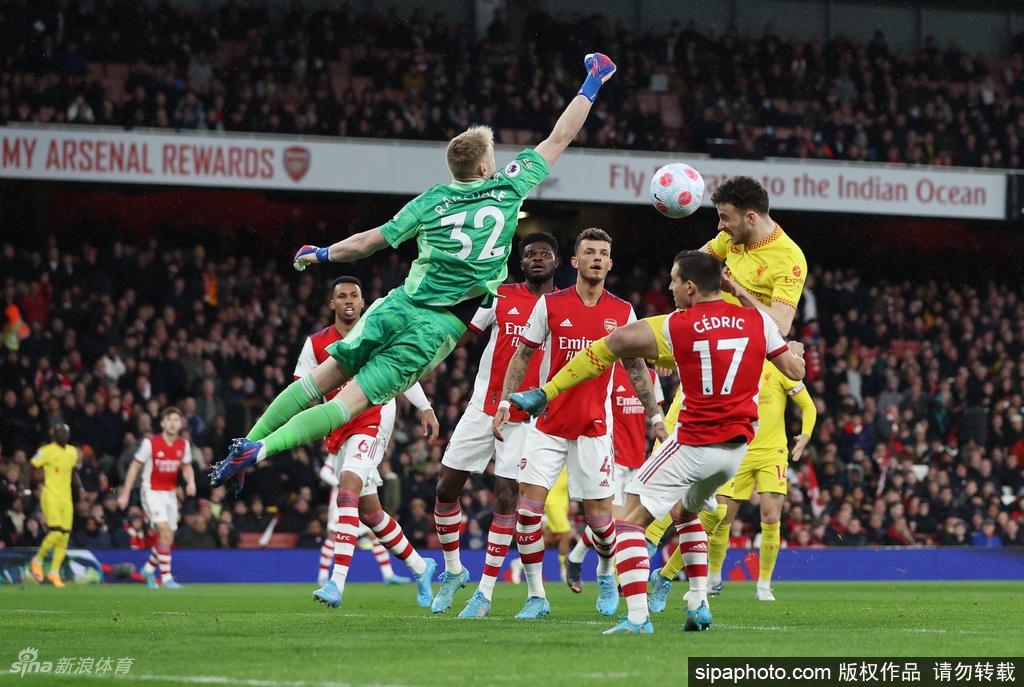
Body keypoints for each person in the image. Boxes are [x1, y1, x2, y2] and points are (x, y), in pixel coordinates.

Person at [209, 52, 618, 492]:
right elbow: (560, 137)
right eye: (493, 156)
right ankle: (261, 452)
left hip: (395, 304)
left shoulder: (429, 200)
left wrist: (322, 253)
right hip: (433, 328)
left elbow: (365, 242)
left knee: (320, 379)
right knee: (349, 404)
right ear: (484, 168)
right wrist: (593, 81)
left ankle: (248, 441)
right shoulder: (508, 186)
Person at [511, 250, 805, 634]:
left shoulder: (678, 324)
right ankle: (699, 603)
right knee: (685, 514)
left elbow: (613, 342)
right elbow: (795, 369)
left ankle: (636, 617)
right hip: (734, 451)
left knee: (629, 522)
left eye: (672, 280)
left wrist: (548, 391)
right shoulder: (757, 322)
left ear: (690, 287)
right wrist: (744, 297)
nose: (668, 287)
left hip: (694, 442)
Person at [492, 228, 667, 619]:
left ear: (610, 262)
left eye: (603, 253)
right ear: (575, 261)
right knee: (527, 513)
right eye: (589, 252)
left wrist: (655, 416)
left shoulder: (622, 312)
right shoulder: (551, 305)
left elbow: (636, 366)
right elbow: (523, 354)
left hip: (593, 428)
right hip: (548, 425)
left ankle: (605, 572)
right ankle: (536, 596)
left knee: (603, 526)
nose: (597, 259)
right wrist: (506, 400)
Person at [643, 175, 809, 560]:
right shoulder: (727, 242)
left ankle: (649, 559)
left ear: (750, 217)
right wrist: (672, 341)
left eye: (724, 218)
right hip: (702, 360)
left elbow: (780, 326)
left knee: (686, 472)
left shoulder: (788, 258)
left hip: (738, 377)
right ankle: (646, 554)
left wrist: (740, 292)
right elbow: (691, 276)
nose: (719, 227)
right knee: (664, 453)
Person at [429, 232, 559, 617]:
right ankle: (453, 571)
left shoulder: (562, 306)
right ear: (521, 264)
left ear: (556, 262)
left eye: (545, 254)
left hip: (526, 417)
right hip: (483, 407)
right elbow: (464, 335)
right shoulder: (501, 295)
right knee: (445, 488)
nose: (538, 258)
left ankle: (485, 593)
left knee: (507, 498)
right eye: (530, 254)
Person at [299, 277, 440, 609]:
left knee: (346, 490)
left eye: (354, 295)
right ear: (332, 304)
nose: (348, 300)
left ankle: (336, 583)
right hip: (339, 427)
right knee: (370, 511)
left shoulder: (377, 332)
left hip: (374, 417)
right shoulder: (316, 344)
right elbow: (302, 390)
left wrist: (425, 407)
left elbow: (402, 371)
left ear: (363, 303)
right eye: (341, 296)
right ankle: (422, 567)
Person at [648, 359, 816, 610]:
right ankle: (627, 578)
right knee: (673, 508)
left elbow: (806, 400)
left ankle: (669, 576)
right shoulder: (719, 358)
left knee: (719, 514)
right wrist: (662, 358)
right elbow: (672, 342)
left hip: (748, 448)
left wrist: (806, 432)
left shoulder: (774, 362)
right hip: (702, 438)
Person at [563, 361, 664, 593]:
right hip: (612, 457)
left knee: (630, 523)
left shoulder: (650, 377)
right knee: (616, 521)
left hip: (639, 458)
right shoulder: (608, 373)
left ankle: (576, 557)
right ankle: (618, 580)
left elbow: (658, 415)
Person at [117, 407, 197, 589]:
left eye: (176, 420)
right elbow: (134, 467)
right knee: (166, 532)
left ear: (181, 424)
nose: (173, 423)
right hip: (151, 491)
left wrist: (190, 482)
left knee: (167, 536)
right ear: (162, 423)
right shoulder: (150, 443)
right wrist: (126, 493)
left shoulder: (183, 445)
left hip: (170, 494)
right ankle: (166, 578)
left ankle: (147, 569)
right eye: (169, 419)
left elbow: (186, 467)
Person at [29, 424, 81, 588]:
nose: (64, 435)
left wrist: (81, 489)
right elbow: (29, 466)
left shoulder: (72, 451)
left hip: (66, 498)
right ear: (55, 434)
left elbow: (72, 472)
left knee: (65, 535)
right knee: (56, 531)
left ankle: (54, 572)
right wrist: (25, 489)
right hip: (50, 495)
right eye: (61, 432)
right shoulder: (46, 451)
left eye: (66, 432)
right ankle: (37, 560)